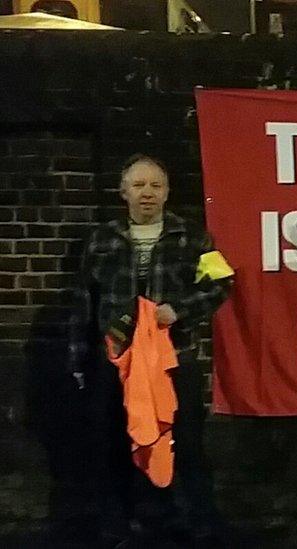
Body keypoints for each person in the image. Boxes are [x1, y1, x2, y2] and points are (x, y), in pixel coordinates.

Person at [67, 153, 234, 546]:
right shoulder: (101, 240)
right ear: (123, 192)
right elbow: (83, 301)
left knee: (186, 442)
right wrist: (78, 359)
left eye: (156, 186)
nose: (148, 193)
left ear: (167, 193)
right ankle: (116, 526)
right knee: (113, 441)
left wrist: (179, 310)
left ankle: (194, 523)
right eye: (139, 186)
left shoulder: (195, 238)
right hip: (115, 360)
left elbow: (222, 281)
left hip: (174, 358)